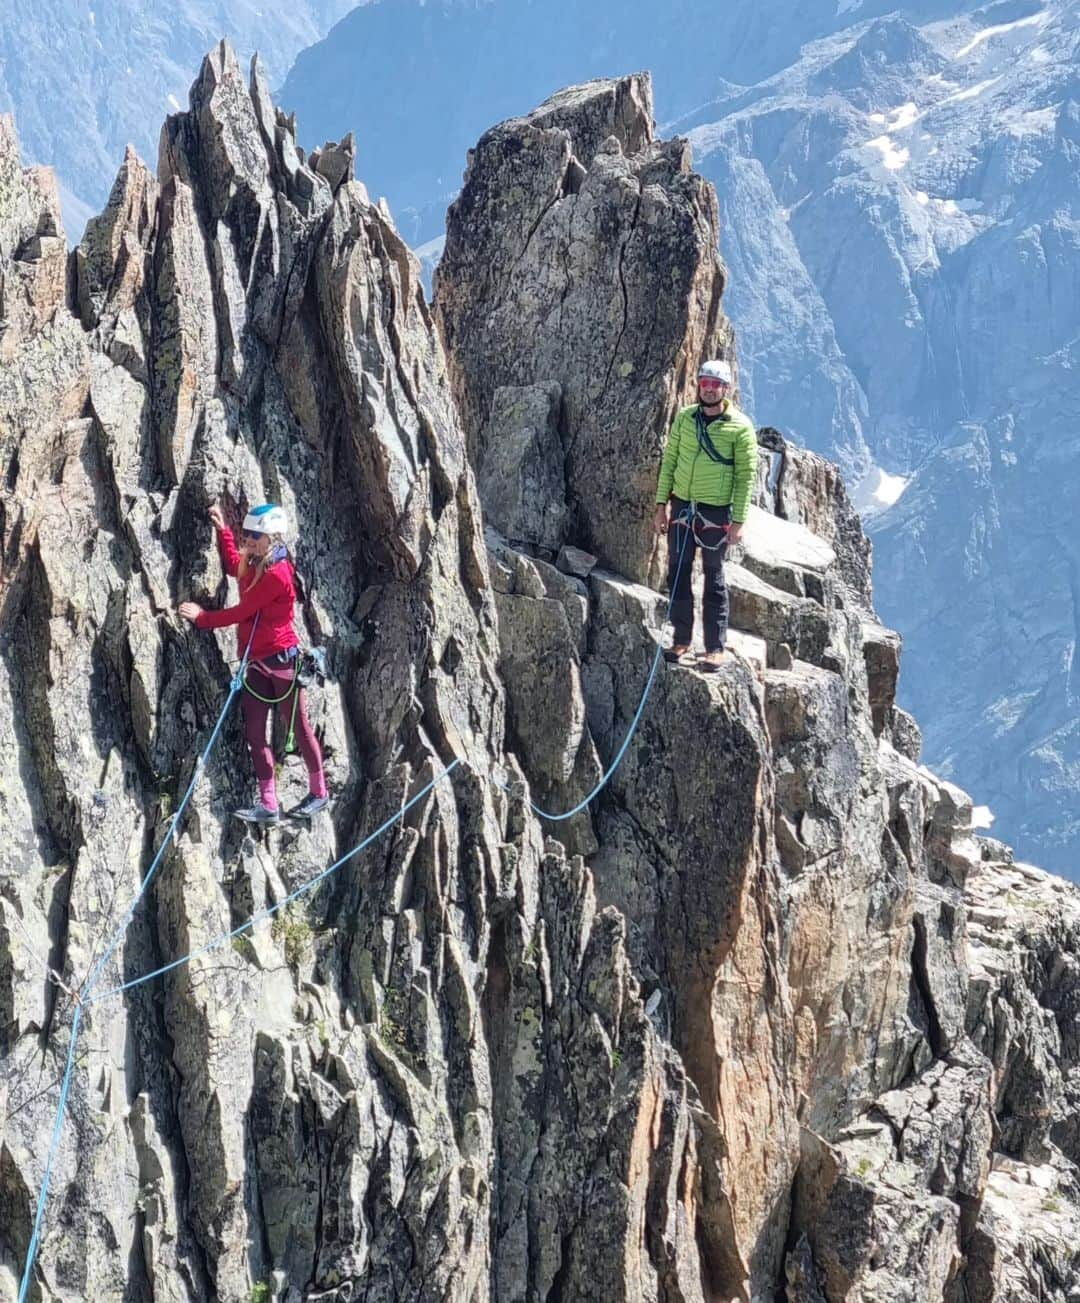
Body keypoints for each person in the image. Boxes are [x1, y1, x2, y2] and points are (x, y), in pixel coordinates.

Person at [178, 503, 329, 824]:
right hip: (258, 662)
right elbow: (236, 567)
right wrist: (224, 532)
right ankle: (269, 803)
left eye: (254, 535)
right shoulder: (257, 558)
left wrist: (203, 618)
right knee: (255, 732)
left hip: (282, 660)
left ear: (271, 537)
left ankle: (319, 793)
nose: (249, 539)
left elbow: (243, 611)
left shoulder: (279, 573)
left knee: (299, 730)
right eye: (247, 534)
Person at [653, 360, 758, 672]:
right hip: (683, 507)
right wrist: (661, 505)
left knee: (714, 578)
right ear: (699, 385)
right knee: (678, 574)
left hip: (715, 511)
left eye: (716, 384)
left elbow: (745, 477)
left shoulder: (739, 428)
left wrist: (737, 522)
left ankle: (714, 647)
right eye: (705, 383)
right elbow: (670, 460)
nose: (709, 389)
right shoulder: (686, 418)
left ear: (726, 389)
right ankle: (681, 639)